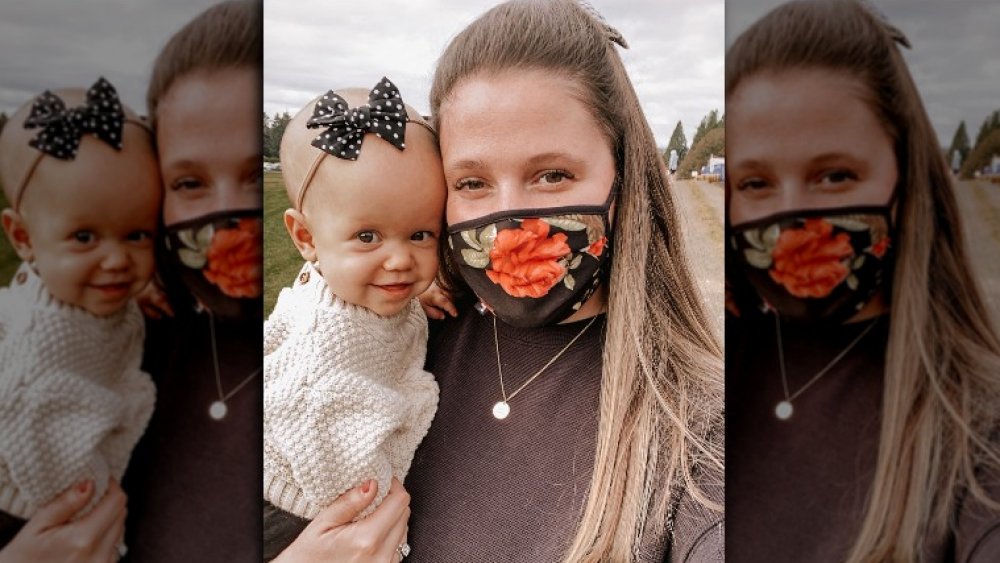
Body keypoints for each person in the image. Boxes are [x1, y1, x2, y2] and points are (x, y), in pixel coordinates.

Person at [277, 1, 723, 561]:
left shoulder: (699, 425)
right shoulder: (398, 336)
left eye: (553, 174)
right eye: (472, 182)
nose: (510, 220)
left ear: (624, 173)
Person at [725, 1, 1000, 561]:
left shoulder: (975, 425)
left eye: (834, 175)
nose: (792, 217)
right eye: (756, 182)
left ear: (905, 176)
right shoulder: (709, 371)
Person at [261, 81, 443, 560]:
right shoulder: (325, 361)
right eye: (367, 236)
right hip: (293, 507)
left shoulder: (347, 283)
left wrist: (418, 299)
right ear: (306, 236)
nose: (401, 260)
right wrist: (388, 534)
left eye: (421, 233)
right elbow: (343, 478)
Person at [120, 1, 263, 561]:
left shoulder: (373, 325)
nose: (226, 215)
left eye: (254, 176)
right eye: (190, 182)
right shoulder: (127, 338)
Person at [0, 78, 159, 562]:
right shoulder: (48, 347)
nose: (116, 261)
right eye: (85, 237)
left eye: (136, 234)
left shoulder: (72, 289)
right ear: (23, 237)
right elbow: (44, 441)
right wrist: (94, 523)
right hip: (32, 510)